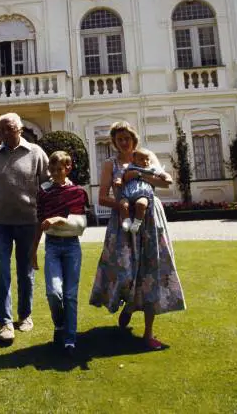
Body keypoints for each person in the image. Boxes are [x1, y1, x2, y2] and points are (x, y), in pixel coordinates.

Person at [89, 121, 186, 351]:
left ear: (134, 139)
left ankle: (148, 333)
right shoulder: (109, 164)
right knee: (125, 271)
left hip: (150, 219)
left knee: (153, 269)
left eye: (127, 138)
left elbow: (165, 182)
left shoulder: (146, 156)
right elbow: (102, 198)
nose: (124, 142)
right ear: (114, 142)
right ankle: (130, 306)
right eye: (119, 139)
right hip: (123, 222)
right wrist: (124, 205)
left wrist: (137, 176)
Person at [0, 112, 49, 342]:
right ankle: (5, 322)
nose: (7, 133)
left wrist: (47, 214)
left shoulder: (36, 153)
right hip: (0, 222)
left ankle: (25, 315)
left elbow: (48, 185)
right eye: (3, 130)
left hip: (28, 221)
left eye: (11, 128)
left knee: (26, 272)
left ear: (20, 129)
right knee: (2, 272)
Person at [29, 150, 88, 357]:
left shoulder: (77, 193)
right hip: (52, 246)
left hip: (72, 246)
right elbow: (40, 222)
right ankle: (60, 325)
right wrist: (34, 249)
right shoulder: (44, 193)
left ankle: (70, 340)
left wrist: (59, 221)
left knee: (70, 295)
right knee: (54, 292)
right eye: (52, 169)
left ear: (68, 168)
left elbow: (80, 225)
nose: (55, 173)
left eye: (59, 169)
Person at [115, 147, 160, 234]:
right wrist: (119, 179)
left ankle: (137, 222)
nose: (145, 161)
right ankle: (126, 220)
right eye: (141, 159)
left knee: (141, 204)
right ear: (134, 160)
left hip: (143, 193)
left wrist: (165, 176)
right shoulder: (130, 167)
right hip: (128, 192)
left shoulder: (151, 168)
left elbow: (160, 174)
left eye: (147, 159)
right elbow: (121, 173)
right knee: (123, 204)